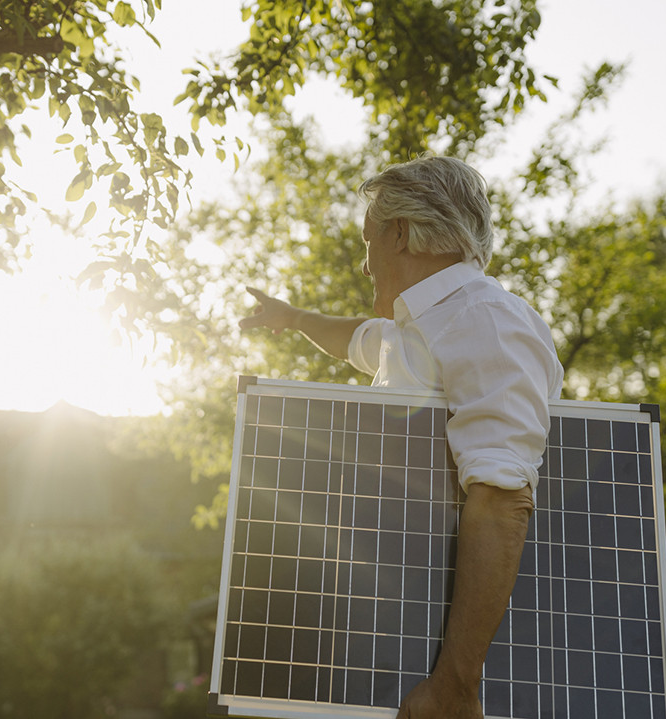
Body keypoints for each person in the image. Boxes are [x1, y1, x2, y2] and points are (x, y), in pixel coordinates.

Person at [238, 156, 564, 719]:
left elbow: (502, 500)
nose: (366, 264)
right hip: (389, 647)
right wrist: (292, 319)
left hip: (441, 673)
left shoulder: (488, 320)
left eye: (369, 240)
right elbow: (356, 340)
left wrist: (456, 686)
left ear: (400, 233)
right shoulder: (417, 329)